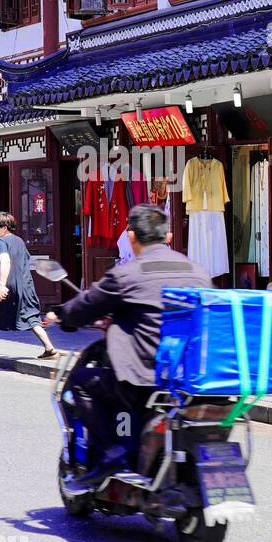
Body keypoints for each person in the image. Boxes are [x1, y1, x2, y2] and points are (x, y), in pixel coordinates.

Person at [46, 204, 211, 489]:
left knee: (80, 382)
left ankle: (111, 453)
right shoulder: (197, 271)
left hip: (144, 376)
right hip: (188, 377)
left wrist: (60, 314)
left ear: (131, 236)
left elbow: (88, 304)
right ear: (168, 236)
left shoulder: (128, 273)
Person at [0, 212, 58, 370]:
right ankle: (50, 349)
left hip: (7, 285)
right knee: (30, 316)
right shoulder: (19, 240)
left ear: (4, 228)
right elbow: (20, 260)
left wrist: (1, 285)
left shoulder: (1, 241)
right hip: (24, 286)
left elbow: (6, 260)